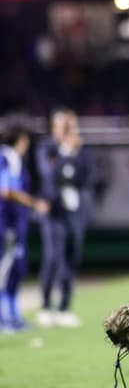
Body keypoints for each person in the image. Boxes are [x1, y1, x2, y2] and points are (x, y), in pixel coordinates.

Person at [35, 109, 92, 328]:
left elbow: (84, 176)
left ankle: (64, 307)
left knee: (72, 257)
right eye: (64, 127)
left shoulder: (81, 151)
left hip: (74, 212)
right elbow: (49, 177)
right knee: (53, 257)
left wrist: (72, 155)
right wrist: (65, 153)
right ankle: (46, 305)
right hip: (53, 212)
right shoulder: (47, 149)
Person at [0, 124, 48, 332]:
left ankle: (14, 314)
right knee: (6, 269)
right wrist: (34, 203)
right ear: (20, 139)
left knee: (17, 270)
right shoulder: (6, 158)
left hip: (15, 224)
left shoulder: (13, 159)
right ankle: (4, 318)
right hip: (6, 223)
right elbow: (6, 190)